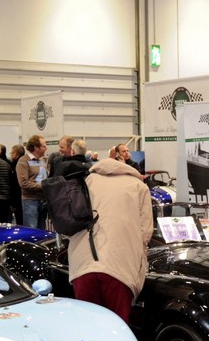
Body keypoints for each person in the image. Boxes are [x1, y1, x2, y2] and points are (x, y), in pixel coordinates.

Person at [67, 157, 153, 321]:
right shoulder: (138, 187)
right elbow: (146, 233)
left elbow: (69, 224)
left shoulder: (85, 182)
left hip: (83, 264)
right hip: (119, 266)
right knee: (116, 326)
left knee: (88, 325)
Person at [16, 134, 48, 228]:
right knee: (32, 229)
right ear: (36, 148)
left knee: (42, 231)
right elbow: (23, 183)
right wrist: (42, 186)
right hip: (30, 200)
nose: (46, 148)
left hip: (43, 201)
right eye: (43, 146)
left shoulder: (42, 160)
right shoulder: (23, 161)